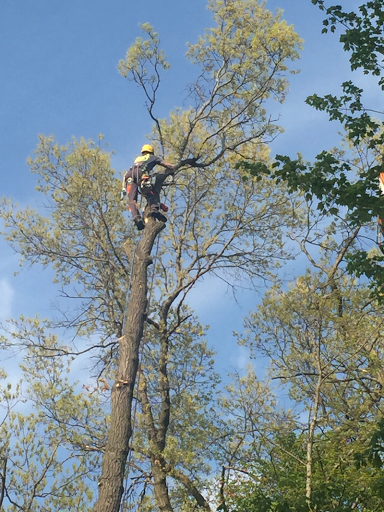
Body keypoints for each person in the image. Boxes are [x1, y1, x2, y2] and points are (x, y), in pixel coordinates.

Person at [123, 144, 175, 230]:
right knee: (150, 192)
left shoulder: (138, 159)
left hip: (129, 175)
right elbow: (167, 165)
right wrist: (173, 168)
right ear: (151, 151)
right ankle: (154, 208)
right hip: (141, 172)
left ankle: (137, 218)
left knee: (132, 199)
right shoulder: (152, 157)